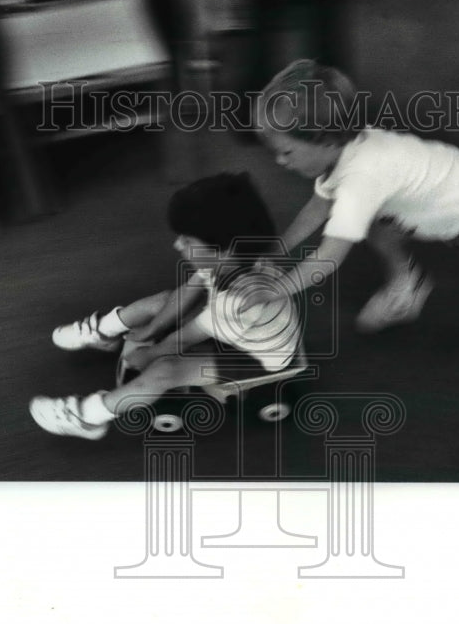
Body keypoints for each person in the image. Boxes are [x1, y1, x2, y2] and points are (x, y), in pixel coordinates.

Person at [253, 59, 459, 333]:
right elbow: (319, 205)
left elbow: (327, 258)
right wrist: (278, 250)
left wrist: (274, 292)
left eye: (286, 152)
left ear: (324, 141)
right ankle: (406, 286)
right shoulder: (340, 151)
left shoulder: (359, 182)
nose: (280, 162)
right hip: (441, 181)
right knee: (379, 231)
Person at [29, 172, 301, 440]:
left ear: (224, 249)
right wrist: (151, 328)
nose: (177, 243)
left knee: (165, 371)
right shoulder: (230, 259)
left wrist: (151, 354)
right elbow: (187, 291)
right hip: (242, 329)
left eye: (187, 239)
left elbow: (187, 336)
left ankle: (86, 417)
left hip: (257, 358)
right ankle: (102, 332)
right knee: (163, 300)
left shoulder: (239, 301)